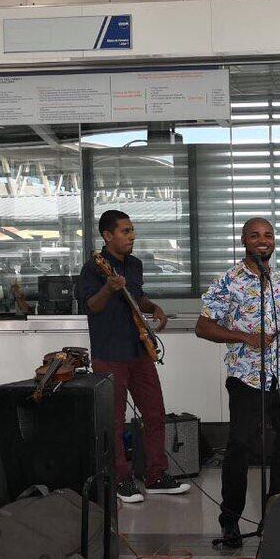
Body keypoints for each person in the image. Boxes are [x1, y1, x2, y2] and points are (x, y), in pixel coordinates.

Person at [196, 217, 280, 549]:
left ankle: (276, 512)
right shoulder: (228, 282)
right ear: (243, 241)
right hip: (246, 378)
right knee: (239, 448)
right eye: (255, 235)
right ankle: (230, 521)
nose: (263, 240)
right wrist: (244, 336)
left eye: (268, 235)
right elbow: (202, 326)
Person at [78, 210, 190, 504]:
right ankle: (122, 480)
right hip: (109, 353)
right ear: (107, 236)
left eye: (132, 231)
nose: (132, 236)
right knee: (114, 421)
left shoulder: (136, 265)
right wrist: (108, 287)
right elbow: (91, 306)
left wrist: (153, 307)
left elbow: (136, 296)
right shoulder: (93, 267)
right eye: (126, 231)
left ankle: (156, 476)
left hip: (139, 350)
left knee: (154, 414)